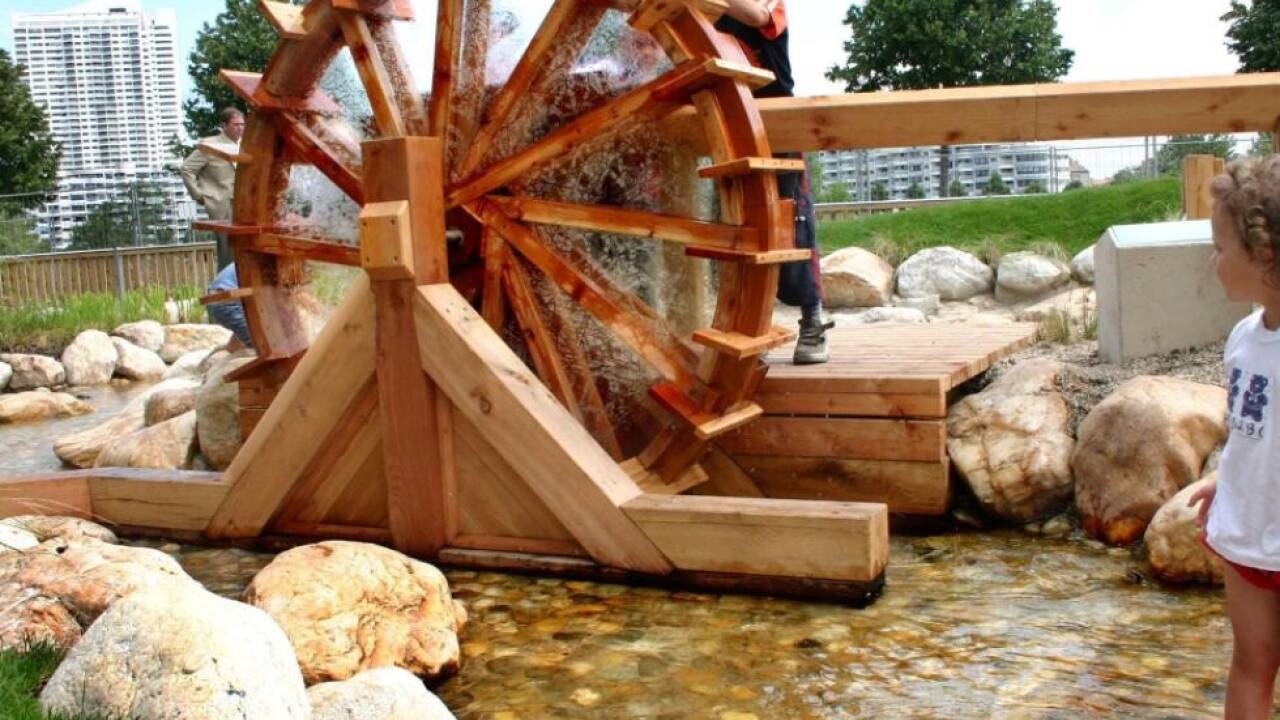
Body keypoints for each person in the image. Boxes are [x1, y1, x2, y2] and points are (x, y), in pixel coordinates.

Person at [1188, 154, 1280, 719]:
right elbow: (1254, 434)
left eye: (1220, 247)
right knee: (1251, 660)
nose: (1212, 260)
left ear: (1265, 256)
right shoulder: (1245, 338)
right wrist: (1226, 480)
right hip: (1247, 533)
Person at [716, 0, 832, 364]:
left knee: (793, 223)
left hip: (776, 125)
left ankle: (812, 321)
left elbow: (756, 16)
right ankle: (750, 333)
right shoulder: (705, 15)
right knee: (737, 230)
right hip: (730, 127)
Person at [182, 108, 245, 271]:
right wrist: (199, 196)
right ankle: (225, 291)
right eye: (235, 124)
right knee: (227, 252)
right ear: (224, 125)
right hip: (222, 204)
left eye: (242, 124)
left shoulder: (247, 144)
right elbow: (186, 168)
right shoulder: (210, 145)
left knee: (245, 251)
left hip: (245, 205)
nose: (240, 128)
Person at [205, 263, 253, 353]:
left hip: (217, 301)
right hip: (227, 303)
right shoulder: (260, 262)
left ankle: (231, 350)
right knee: (260, 344)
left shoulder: (244, 259)